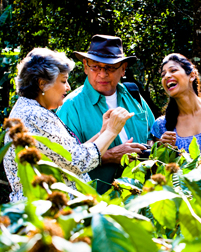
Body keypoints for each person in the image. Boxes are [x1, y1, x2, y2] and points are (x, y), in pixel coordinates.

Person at [3, 47, 133, 202]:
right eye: (63, 81)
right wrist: (111, 131)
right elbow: (77, 162)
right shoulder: (34, 115)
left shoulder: (30, 110)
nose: (68, 87)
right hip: (45, 213)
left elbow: (67, 154)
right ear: (42, 83)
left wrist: (103, 132)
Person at [57, 35, 155, 194]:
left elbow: (152, 134)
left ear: (123, 69)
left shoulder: (134, 97)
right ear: (85, 67)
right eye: (95, 67)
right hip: (96, 204)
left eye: (110, 67)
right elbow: (65, 163)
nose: (102, 74)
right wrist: (109, 155)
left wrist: (149, 149)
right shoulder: (71, 106)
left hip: (140, 199)